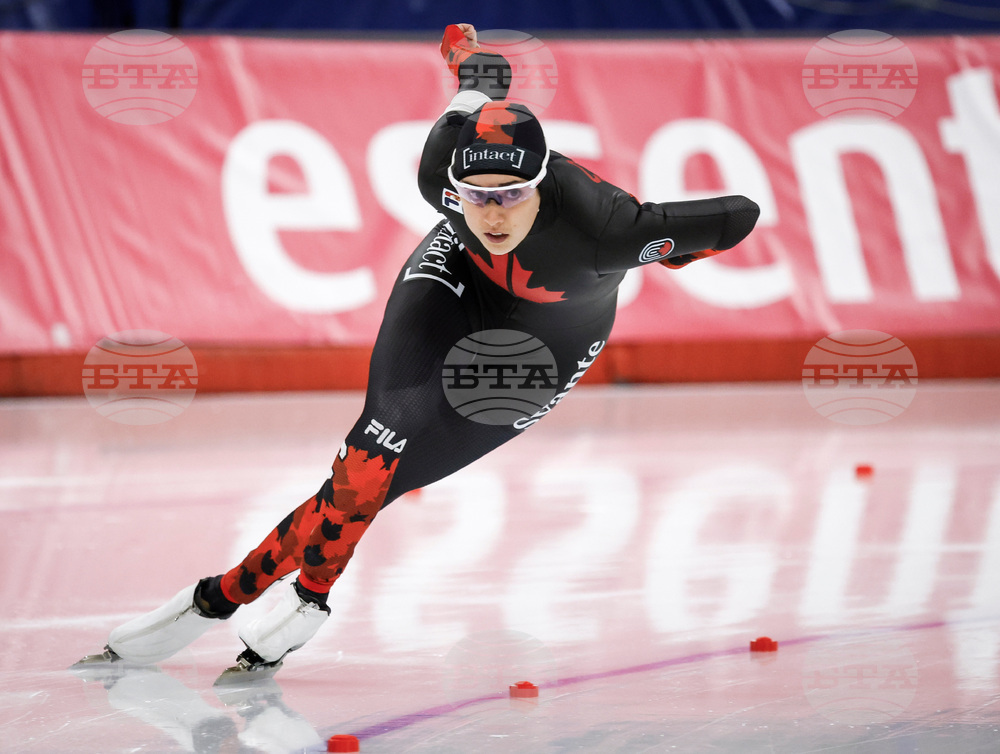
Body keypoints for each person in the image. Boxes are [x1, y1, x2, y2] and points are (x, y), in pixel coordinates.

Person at [79, 23, 759, 679]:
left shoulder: (606, 228)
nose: (493, 214)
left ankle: (223, 594)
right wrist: (470, 64)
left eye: (513, 196)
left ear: (541, 179)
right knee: (372, 451)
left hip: (545, 343)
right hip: (452, 283)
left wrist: (673, 253)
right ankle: (303, 602)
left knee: (378, 486)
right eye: (475, 197)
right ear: (453, 185)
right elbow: (477, 88)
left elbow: (739, 215)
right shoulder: (439, 174)